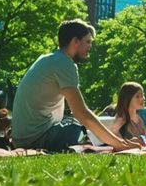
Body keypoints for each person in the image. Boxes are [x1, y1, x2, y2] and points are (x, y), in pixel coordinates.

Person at [12, 19, 138, 152]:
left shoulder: (49, 58)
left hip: (22, 138)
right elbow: (81, 112)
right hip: (35, 139)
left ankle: (98, 142)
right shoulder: (64, 63)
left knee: (74, 122)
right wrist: (118, 143)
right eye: (88, 41)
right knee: (74, 126)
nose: (90, 46)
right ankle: (102, 144)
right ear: (75, 41)